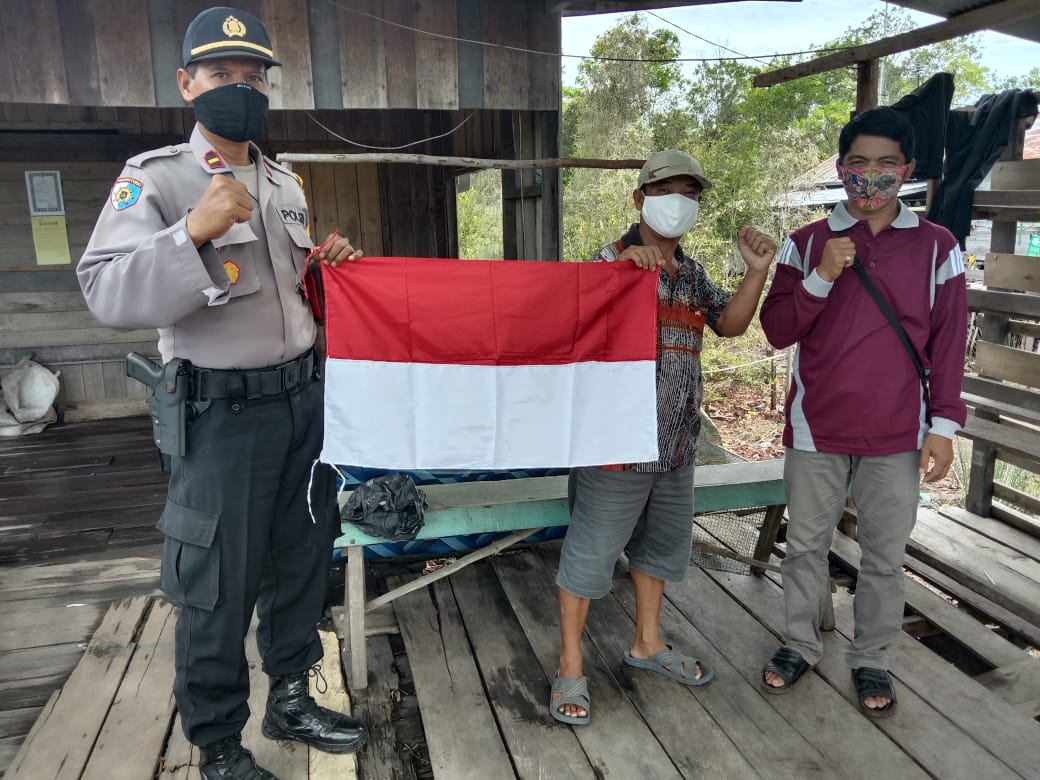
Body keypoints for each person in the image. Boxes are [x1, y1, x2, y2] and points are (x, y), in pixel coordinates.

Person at [78, 7, 367, 778]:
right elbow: (105, 293)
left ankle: (291, 695)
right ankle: (215, 743)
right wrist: (192, 231)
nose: (239, 89)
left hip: (302, 407)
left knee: (302, 560)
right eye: (220, 75)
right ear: (187, 83)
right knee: (214, 587)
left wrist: (328, 266)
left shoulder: (284, 182)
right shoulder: (159, 178)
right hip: (220, 420)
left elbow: (288, 295)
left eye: (252, 77)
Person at [550, 149, 778, 726]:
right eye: (667, 190)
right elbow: (564, 321)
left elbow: (729, 324)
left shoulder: (692, 274)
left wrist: (756, 272)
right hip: (614, 448)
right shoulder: (607, 263)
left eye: (691, 194)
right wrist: (622, 270)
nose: (680, 203)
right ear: (640, 199)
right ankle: (570, 665)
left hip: (677, 444)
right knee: (589, 556)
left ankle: (647, 643)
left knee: (659, 549)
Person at [759, 107, 967, 718]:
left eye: (885, 165)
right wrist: (822, 275)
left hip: (899, 431)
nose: (870, 177)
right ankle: (800, 642)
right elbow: (777, 330)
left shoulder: (939, 246)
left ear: (906, 170)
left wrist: (945, 427)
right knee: (804, 546)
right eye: (857, 164)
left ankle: (871, 656)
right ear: (842, 168)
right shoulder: (806, 243)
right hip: (817, 425)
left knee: (884, 555)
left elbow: (949, 343)